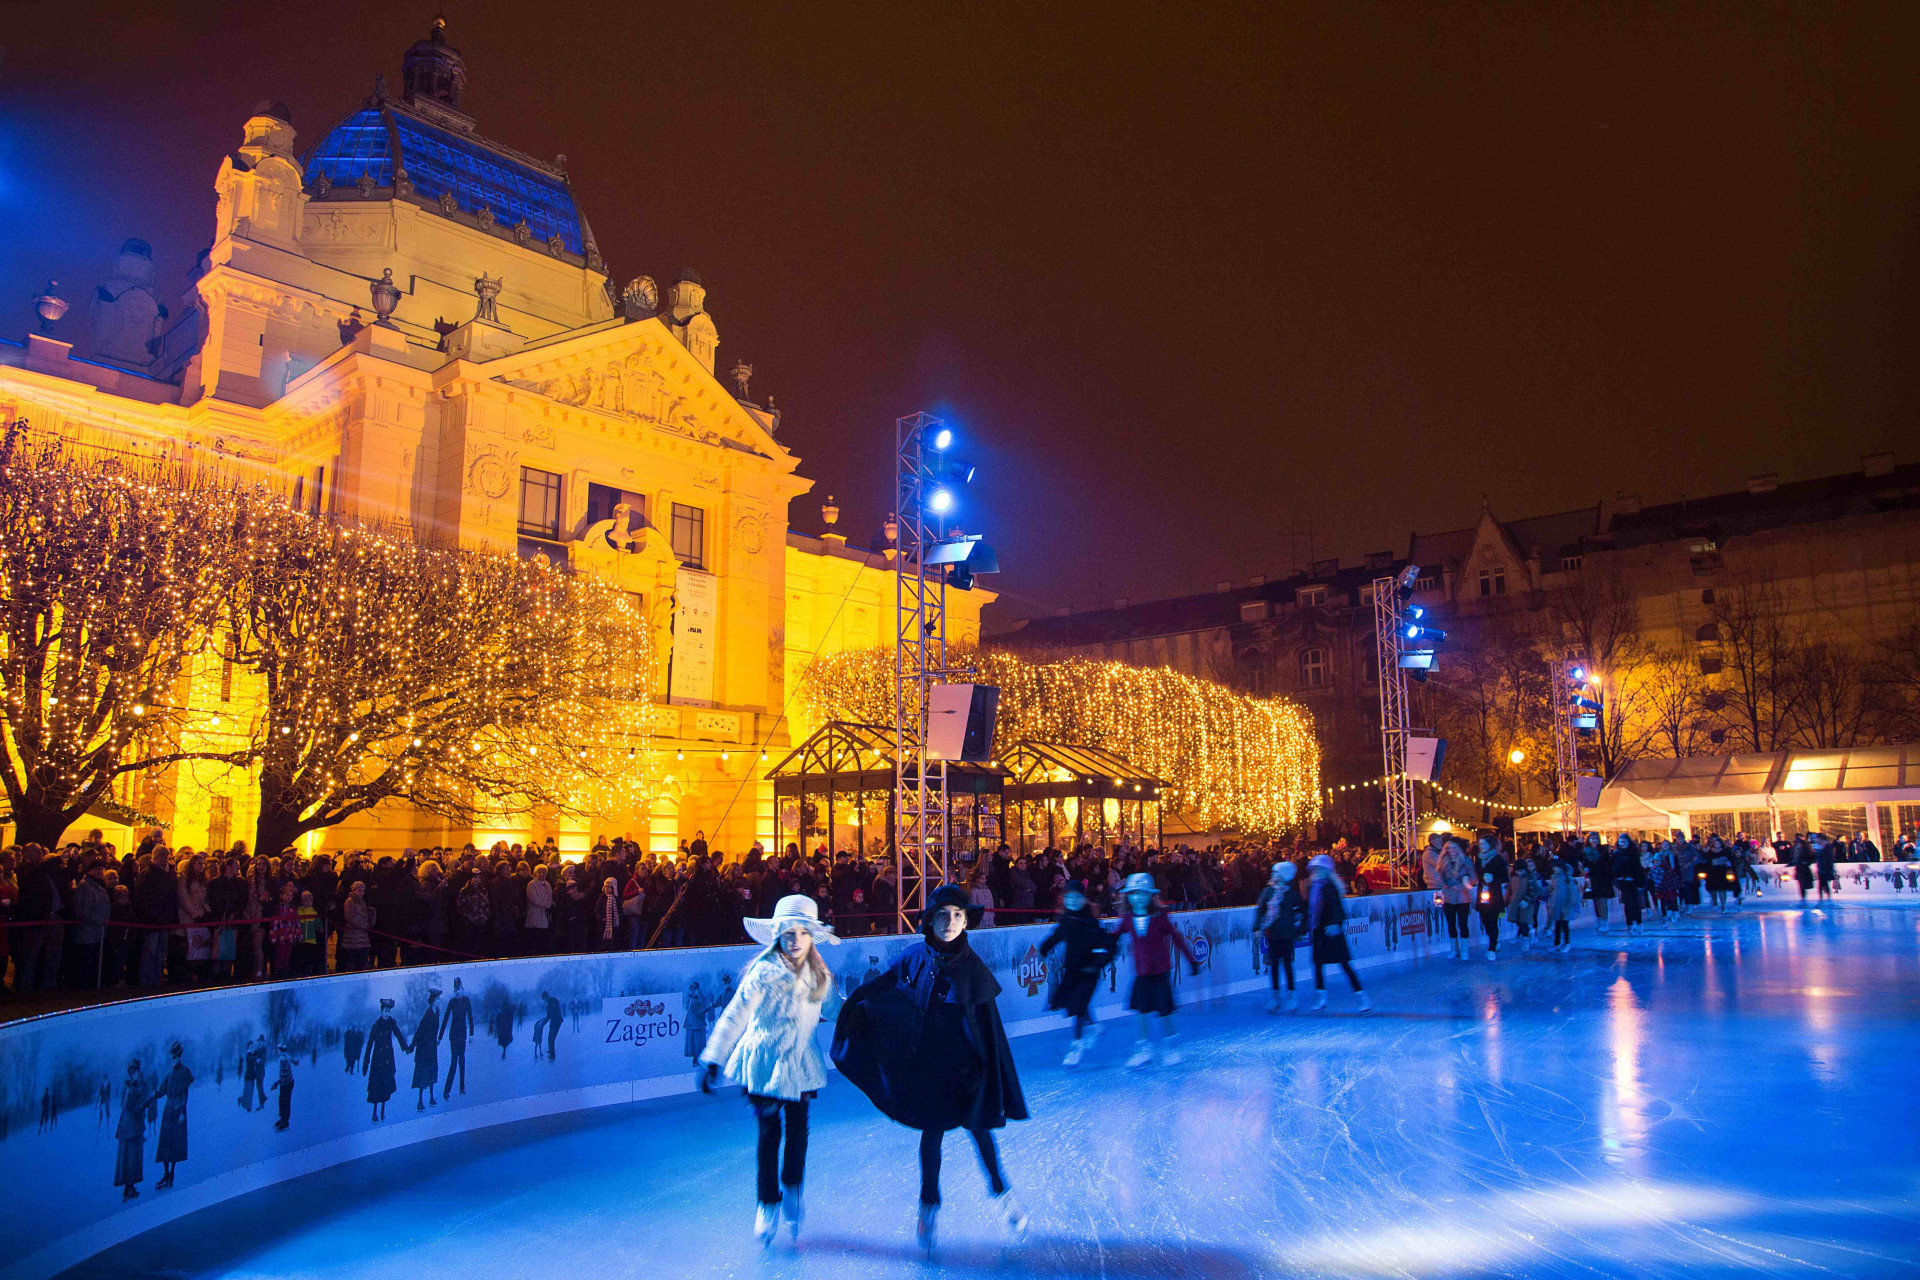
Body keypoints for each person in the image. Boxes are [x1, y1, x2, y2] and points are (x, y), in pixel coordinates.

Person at [832, 883, 1029, 1253]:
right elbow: (882, 989)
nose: (951, 922)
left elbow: (989, 1031)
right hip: (929, 1070)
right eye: (943, 915)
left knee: (982, 1135)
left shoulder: (973, 970)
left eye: (958, 916)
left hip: (968, 1073)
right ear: (930, 921)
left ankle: (1003, 1195)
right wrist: (851, 1007)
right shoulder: (914, 957)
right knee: (932, 1137)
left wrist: (987, 1076)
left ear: (967, 922)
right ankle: (929, 1206)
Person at [699, 894, 842, 1246]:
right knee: (768, 1134)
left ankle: (792, 1185)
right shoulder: (762, 972)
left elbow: (840, 1011)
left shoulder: (820, 976)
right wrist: (713, 1056)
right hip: (763, 1063)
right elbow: (735, 1014)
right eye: (787, 932)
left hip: (800, 1064)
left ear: (811, 937)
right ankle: (767, 1202)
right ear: (776, 934)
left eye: (802, 933)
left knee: (797, 1130)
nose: (794, 940)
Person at [1114, 872, 1202, 1067]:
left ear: (1150, 896)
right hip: (1141, 973)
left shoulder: (1160, 916)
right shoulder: (1128, 918)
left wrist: (1191, 961)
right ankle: (1144, 1048)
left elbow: (1177, 938)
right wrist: (1101, 947)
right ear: (1128, 896)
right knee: (1140, 1010)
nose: (1138, 898)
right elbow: (1114, 937)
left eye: (1142, 894)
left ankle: (1171, 1047)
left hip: (1160, 972)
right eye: (1134, 894)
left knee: (1165, 1010)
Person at [1038, 879, 1117, 1062]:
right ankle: (1094, 1027)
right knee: (1074, 1003)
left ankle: (1077, 1045)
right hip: (1072, 971)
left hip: (1089, 972)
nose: (1072, 900)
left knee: (1078, 1006)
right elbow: (1056, 936)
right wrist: (1044, 948)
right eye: (1069, 897)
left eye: (1076, 897)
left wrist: (1097, 963)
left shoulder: (1090, 922)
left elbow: (1108, 944)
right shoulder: (1066, 920)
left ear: (1083, 899)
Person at [1306, 854, 1370, 1010]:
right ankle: (1321, 995)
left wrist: (1335, 924)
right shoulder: (1313, 888)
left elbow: (1339, 910)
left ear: (1326, 870)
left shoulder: (1330, 888)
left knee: (1344, 964)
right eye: (1314, 868)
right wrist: (1304, 928)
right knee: (1318, 965)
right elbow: (1310, 912)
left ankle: (1361, 995)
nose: (1315, 871)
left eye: (1318, 868)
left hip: (1332, 933)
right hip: (1320, 932)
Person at [1252, 862, 1307, 1010]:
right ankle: (1275, 995)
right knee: (1274, 965)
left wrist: (1301, 930)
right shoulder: (1268, 892)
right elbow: (1260, 910)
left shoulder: (1291, 894)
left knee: (1287, 964)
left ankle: (1291, 994)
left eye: (1275, 873)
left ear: (1283, 876)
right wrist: (1257, 927)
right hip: (1272, 934)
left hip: (1287, 934)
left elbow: (1304, 912)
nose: (1272, 875)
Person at [114, 1058, 155, 1201]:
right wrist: (149, 1100)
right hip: (129, 1128)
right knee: (130, 1159)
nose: (138, 1072)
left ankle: (129, 1188)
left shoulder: (133, 1084)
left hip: (131, 1128)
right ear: (132, 1071)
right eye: (136, 1070)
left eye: (138, 1070)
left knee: (132, 1158)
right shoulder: (129, 1085)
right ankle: (128, 1190)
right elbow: (133, 1107)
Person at [363, 997, 409, 1123]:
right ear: (381, 1011)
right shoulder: (376, 1026)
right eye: (385, 1011)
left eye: (389, 1011)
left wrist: (405, 1047)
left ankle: (383, 1110)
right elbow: (369, 1045)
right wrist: (365, 1063)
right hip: (378, 1060)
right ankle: (374, 1113)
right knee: (376, 1087)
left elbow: (398, 1035)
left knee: (385, 1086)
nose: (387, 1013)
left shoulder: (391, 1023)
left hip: (388, 1059)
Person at [154, 1041, 193, 1190]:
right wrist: (153, 1094)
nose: (174, 1059)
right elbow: (161, 1090)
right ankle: (165, 1174)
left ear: (180, 1056)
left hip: (178, 1110)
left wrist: (182, 1112)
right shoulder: (169, 1073)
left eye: (176, 1056)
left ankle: (172, 1173)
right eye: (172, 1056)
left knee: (175, 1144)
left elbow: (185, 1094)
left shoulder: (184, 1072)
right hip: (167, 1110)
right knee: (165, 1143)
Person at [1438, 837, 1476, 959]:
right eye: (1449, 848)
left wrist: (1464, 883)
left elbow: (1474, 877)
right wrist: (1450, 885)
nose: (1452, 850)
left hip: (1463, 896)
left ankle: (1464, 950)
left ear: (1458, 848)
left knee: (1462, 922)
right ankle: (1454, 949)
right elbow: (1440, 879)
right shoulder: (1443, 862)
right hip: (1449, 896)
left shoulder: (1466, 861)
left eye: (1454, 847)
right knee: (1451, 923)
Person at [1473, 835, 1508, 961]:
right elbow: (1477, 872)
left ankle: (1492, 948)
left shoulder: (1498, 859)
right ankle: (1494, 942)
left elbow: (1505, 877)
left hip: (1494, 893)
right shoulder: (1478, 858)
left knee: (1493, 920)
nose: (1481, 846)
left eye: (1484, 844)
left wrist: (1494, 879)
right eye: (1480, 844)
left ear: (1490, 845)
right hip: (1482, 892)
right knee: (1485, 920)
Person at [411, 988, 443, 1110]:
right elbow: (419, 1031)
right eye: (438, 999)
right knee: (423, 1074)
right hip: (424, 1050)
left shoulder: (437, 1012)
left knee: (432, 1073)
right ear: (433, 1000)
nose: (440, 1001)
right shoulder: (428, 1014)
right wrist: (412, 1046)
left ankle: (431, 1098)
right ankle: (420, 1101)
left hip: (432, 1048)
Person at [442, 976, 474, 1096]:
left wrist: (472, 1034)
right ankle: (447, 1090)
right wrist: (440, 1037)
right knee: (454, 1062)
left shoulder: (466, 1000)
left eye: (459, 988)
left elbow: (470, 1017)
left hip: (463, 1035)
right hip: (453, 1036)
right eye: (456, 989)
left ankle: (462, 1087)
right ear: (454, 990)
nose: (457, 991)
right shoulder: (452, 1002)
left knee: (462, 1061)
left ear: (462, 988)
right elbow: (445, 1019)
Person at [1546, 848, 1580, 951]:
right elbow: (1550, 889)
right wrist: (1540, 890)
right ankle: (1556, 943)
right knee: (1557, 925)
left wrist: (1570, 905)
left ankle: (1567, 943)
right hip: (1557, 905)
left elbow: (1572, 893)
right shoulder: (1554, 877)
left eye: (1556, 867)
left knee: (1564, 925)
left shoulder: (1567, 879)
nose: (1554, 869)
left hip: (1566, 905)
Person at [273, 1043, 295, 1132]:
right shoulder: (286, 1056)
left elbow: (283, 1075)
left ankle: (285, 1122)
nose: (277, 1051)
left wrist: (276, 1083)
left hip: (287, 1083)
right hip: (285, 1083)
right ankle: (282, 1118)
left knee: (285, 1102)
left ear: (281, 1050)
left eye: (278, 1049)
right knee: (281, 1101)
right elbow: (293, 1059)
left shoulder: (283, 1059)